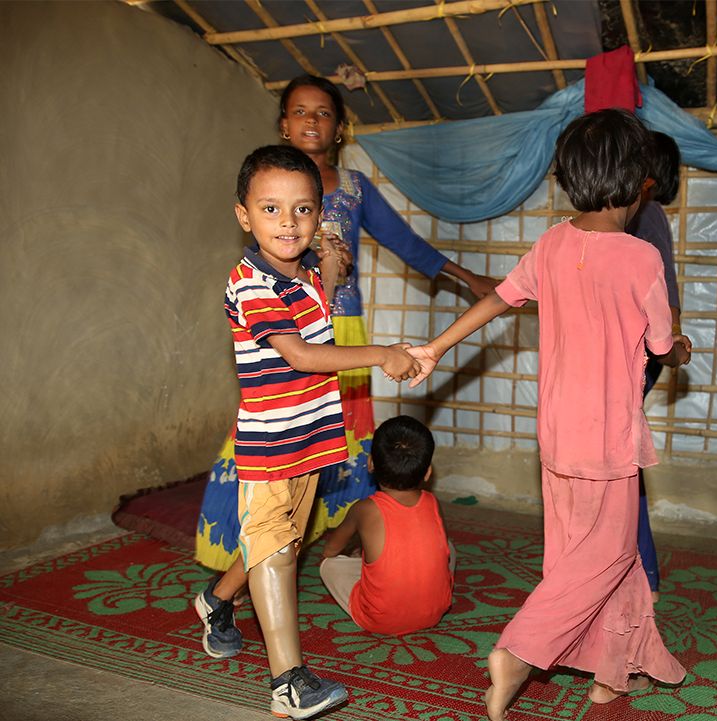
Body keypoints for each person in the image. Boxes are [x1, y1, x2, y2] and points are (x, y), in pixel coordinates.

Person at [406, 109, 691, 720]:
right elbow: (665, 346)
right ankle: (519, 651)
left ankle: (610, 676)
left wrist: (433, 348)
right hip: (610, 438)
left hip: (557, 435)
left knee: (571, 555)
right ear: (640, 178)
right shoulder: (642, 260)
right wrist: (681, 348)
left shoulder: (553, 243)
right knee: (612, 554)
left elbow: (496, 302)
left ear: (568, 179)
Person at [195, 74, 497, 573]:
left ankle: (337, 532)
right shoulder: (264, 187)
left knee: (338, 434)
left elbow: (407, 243)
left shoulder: (355, 189)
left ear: (340, 129)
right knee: (269, 433)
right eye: (299, 111)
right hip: (283, 336)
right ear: (283, 125)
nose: (311, 120)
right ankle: (242, 544)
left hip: (343, 332)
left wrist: (468, 279)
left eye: (324, 112)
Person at [194, 144, 420, 719]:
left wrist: (334, 264)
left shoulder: (307, 275)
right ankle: (288, 682)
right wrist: (382, 355)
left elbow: (322, 294)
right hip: (269, 445)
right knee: (278, 553)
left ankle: (215, 601)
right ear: (244, 216)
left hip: (312, 440)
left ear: (320, 216)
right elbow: (298, 354)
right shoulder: (250, 283)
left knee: (280, 542)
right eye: (270, 210)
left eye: (302, 210)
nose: (287, 223)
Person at [318, 415, 453, 636]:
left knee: (329, 566)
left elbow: (330, 550)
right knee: (449, 547)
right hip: (434, 612)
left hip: (381, 620)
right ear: (428, 472)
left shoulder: (364, 509)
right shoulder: (433, 502)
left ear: (370, 463)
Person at [625, 131, 685, 601]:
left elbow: (659, 294)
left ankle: (643, 575)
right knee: (621, 459)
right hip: (644, 351)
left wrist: (664, 348)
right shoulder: (645, 214)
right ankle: (639, 574)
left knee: (622, 462)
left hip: (640, 353)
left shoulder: (643, 214)